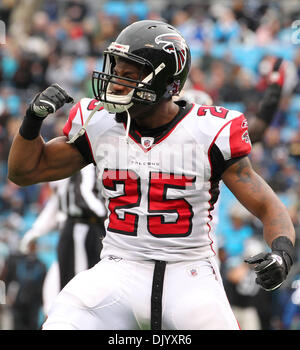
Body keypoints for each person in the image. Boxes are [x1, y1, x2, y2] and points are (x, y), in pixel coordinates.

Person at [8, 20, 295, 330]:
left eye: (129, 76)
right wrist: (32, 121)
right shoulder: (100, 124)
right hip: (118, 268)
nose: (115, 83)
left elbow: (268, 207)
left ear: (167, 83)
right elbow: (25, 171)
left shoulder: (206, 131)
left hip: (190, 275)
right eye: (116, 71)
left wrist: (282, 254)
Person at [19, 163, 106, 312]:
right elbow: (56, 203)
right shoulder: (65, 172)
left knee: (81, 281)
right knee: (58, 286)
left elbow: (85, 193)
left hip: (85, 227)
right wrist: (35, 231)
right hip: (71, 228)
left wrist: (105, 215)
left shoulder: (87, 167)